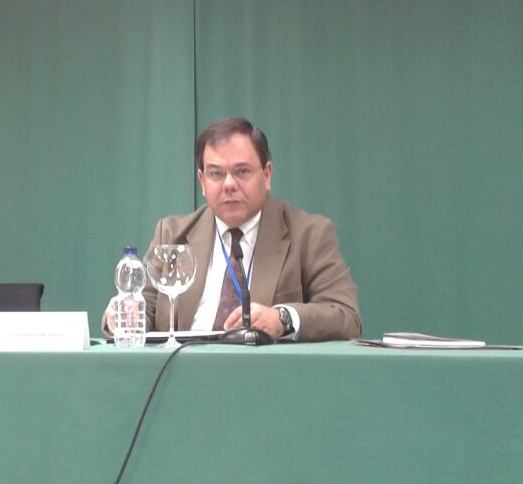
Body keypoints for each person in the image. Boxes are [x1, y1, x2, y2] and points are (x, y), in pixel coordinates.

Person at [104, 117, 361, 342]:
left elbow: (346, 316)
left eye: (242, 171)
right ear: (202, 182)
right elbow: (143, 311)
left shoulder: (309, 234)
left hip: (265, 375)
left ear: (267, 175)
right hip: (183, 370)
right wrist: (122, 315)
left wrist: (282, 318)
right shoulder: (172, 235)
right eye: (216, 174)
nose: (229, 184)